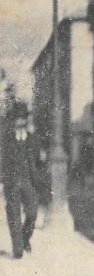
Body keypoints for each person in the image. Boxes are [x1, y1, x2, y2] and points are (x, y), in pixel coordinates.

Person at [2, 101, 40, 258]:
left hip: (28, 181)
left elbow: (37, 160)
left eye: (24, 118)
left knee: (32, 213)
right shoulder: (6, 138)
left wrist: (37, 180)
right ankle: (17, 250)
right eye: (19, 118)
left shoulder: (32, 138)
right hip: (11, 182)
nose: (21, 121)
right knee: (14, 215)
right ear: (14, 120)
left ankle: (25, 239)